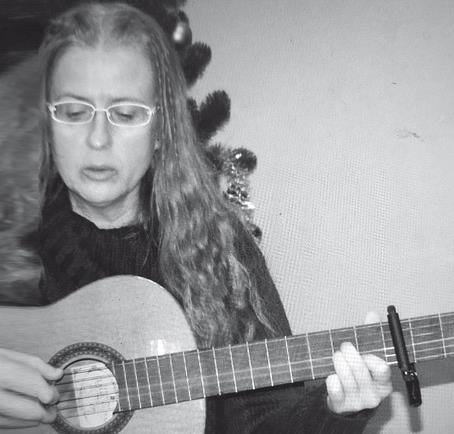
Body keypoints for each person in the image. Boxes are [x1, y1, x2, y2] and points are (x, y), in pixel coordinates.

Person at [0, 2, 392, 432]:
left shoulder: (220, 249)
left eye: (126, 114)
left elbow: (265, 419)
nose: (98, 139)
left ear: (160, 131)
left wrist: (334, 413)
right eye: (74, 112)